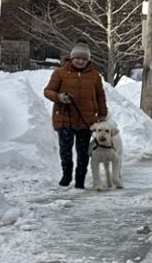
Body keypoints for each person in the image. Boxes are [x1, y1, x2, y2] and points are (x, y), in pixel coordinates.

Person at [43, 44, 108, 190]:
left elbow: (100, 96)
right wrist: (59, 97)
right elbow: (48, 91)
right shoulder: (59, 73)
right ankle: (66, 175)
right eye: (77, 58)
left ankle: (80, 178)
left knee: (83, 151)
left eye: (83, 59)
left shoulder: (94, 76)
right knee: (65, 149)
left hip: (86, 119)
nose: (80, 61)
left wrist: (102, 114)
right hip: (65, 118)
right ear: (71, 58)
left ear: (88, 60)